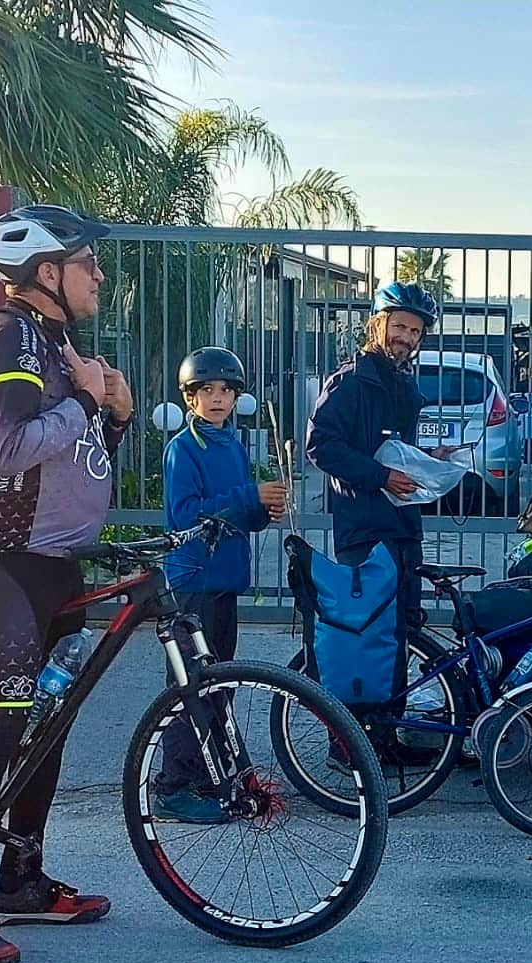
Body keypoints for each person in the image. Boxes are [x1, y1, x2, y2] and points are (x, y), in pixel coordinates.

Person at [0, 204, 133, 963]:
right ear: (47, 272)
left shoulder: (56, 341)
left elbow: (73, 458)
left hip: (52, 559)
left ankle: (20, 878)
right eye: (88, 263)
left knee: (49, 719)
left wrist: (115, 415)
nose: (100, 276)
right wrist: (86, 400)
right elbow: (11, 448)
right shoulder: (7, 336)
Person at [153, 346, 290, 823]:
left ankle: (211, 774)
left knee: (219, 684)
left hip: (226, 579)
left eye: (226, 390)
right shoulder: (183, 449)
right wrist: (249, 496)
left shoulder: (231, 444)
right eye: (206, 390)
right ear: (190, 397)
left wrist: (262, 510)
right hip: (194, 580)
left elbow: (236, 517)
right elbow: (188, 515)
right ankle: (173, 784)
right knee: (190, 684)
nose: (217, 398)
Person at [303, 281, 441, 731]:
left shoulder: (405, 385)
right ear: (378, 324)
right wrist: (380, 476)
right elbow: (320, 445)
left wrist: (429, 462)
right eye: (399, 326)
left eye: (415, 331)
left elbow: (396, 450)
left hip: (402, 526)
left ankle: (385, 733)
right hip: (364, 529)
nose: (406, 337)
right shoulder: (349, 383)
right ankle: (349, 745)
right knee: (363, 638)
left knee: (397, 634)